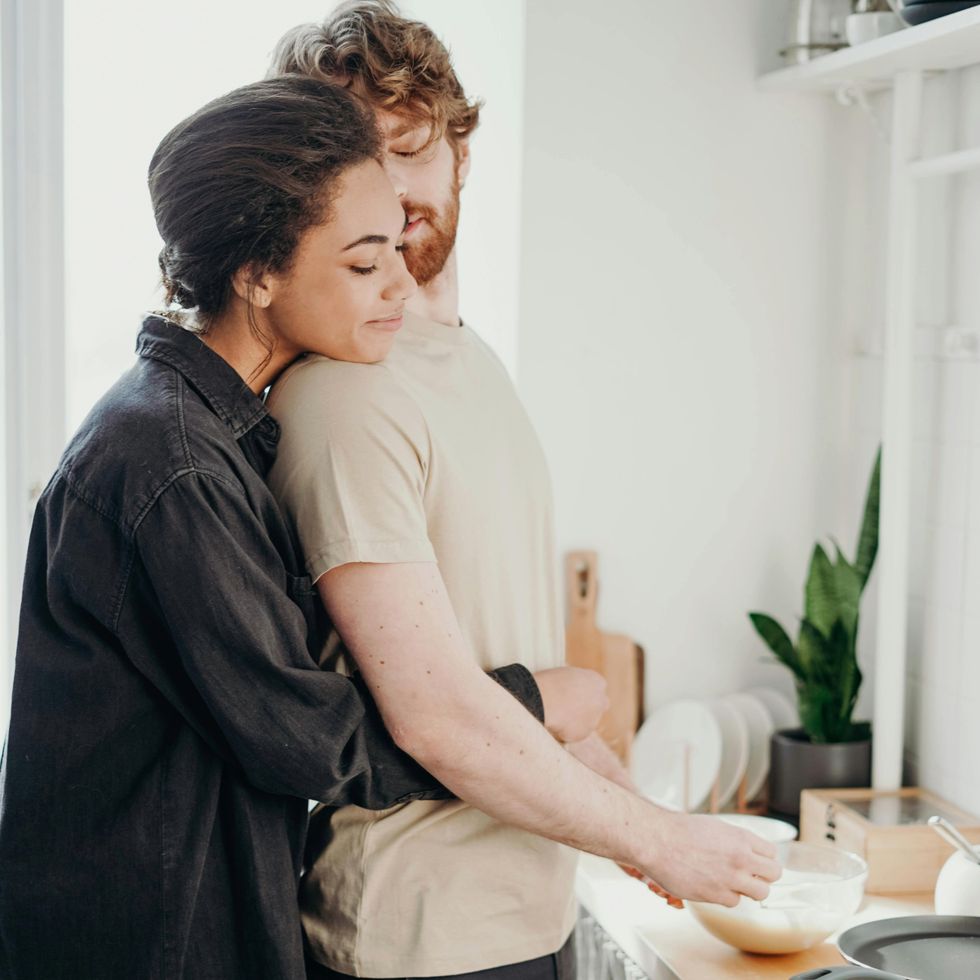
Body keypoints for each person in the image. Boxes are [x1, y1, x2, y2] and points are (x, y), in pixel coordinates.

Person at [0, 75, 571, 980]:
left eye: (396, 247)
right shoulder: (169, 465)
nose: (397, 282)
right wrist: (536, 704)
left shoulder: (203, 431)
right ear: (257, 273)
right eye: (361, 261)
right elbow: (311, 740)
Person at [266, 6, 780, 980]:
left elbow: (513, 675)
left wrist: (652, 824)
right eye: (350, 158)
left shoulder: (467, 363)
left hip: (519, 920)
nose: (389, 188)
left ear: (462, 149)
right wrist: (650, 840)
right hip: (414, 938)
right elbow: (438, 716)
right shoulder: (343, 392)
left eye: (409, 147)